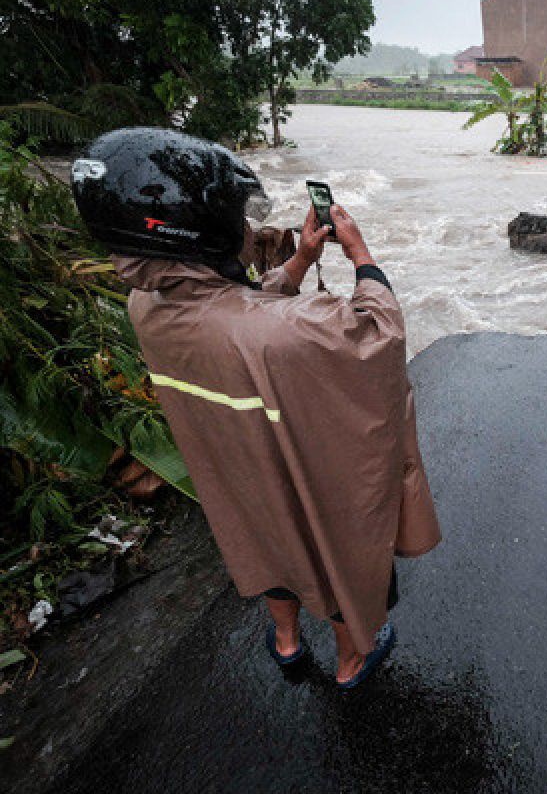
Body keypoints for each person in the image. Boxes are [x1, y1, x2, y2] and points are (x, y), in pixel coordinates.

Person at [71, 128, 442, 689]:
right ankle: (351, 660)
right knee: (326, 542)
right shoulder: (282, 332)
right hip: (287, 471)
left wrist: (298, 264)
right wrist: (361, 255)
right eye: (237, 217)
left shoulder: (144, 306)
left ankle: (288, 643)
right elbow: (379, 332)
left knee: (261, 538)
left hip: (233, 472)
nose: (247, 228)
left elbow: (229, 309)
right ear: (194, 230)